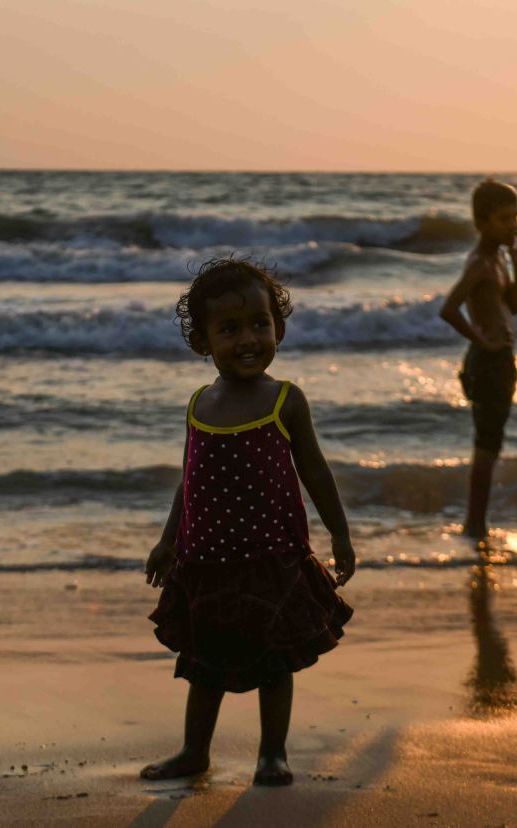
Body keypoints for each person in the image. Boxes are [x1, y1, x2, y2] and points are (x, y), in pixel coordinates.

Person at [143, 257, 356, 786]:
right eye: (229, 329)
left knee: (274, 661)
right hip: (207, 563)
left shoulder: (285, 401)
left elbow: (315, 470)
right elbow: (188, 483)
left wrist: (341, 533)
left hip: (273, 559)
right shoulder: (199, 404)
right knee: (205, 665)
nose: (248, 339)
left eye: (260, 324)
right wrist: (168, 541)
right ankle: (195, 751)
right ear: (202, 342)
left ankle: (272, 754)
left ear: (278, 328)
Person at [439, 179, 517, 539]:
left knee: (491, 443)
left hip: (500, 361)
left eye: (515, 217)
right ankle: (474, 526)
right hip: (488, 363)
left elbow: (513, 308)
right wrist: (483, 342)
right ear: (481, 223)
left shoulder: (500, 258)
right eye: (504, 219)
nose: (513, 225)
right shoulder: (479, 261)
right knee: (486, 446)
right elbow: (448, 309)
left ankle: (477, 524)